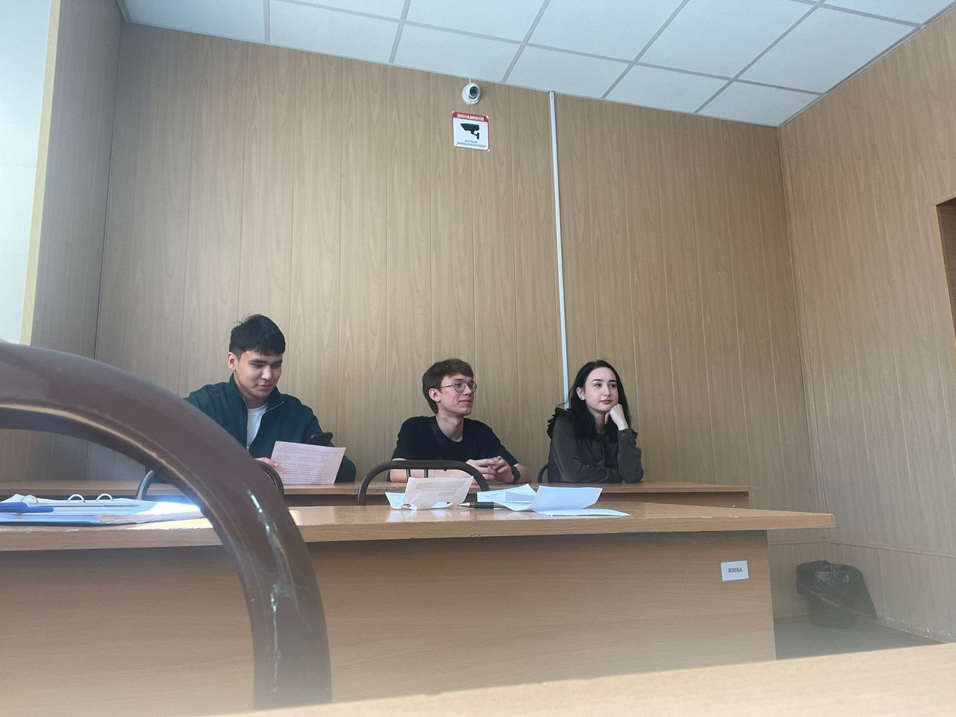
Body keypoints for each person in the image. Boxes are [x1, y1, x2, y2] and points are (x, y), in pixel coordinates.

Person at [185, 314, 356, 482]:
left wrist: (302, 465)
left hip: (278, 500)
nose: (268, 375)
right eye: (257, 365)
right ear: (232, 361)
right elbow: (172, 462)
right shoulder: (202, 405)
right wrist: (241, 468)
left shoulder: (297, 414)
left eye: (276, 365)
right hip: (215, 500)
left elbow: (347, 471)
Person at [390, 358, 528, 484]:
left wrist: (510, 475)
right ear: (435, 394)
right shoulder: (415, 427)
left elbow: (525, 472)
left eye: (470, 385)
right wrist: (458, 473)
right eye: (458, 385)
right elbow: (396, 472)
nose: (469, 391)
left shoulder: (480, 431)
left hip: (471, 503)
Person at [546, 359, 643, 483]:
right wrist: (617, 475)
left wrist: (622, 425)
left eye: (612, 385)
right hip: (569, 495)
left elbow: (632, 475)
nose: (607, 392)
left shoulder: (617, 426)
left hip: (611, 495)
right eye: (598, 385)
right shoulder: (565, 423)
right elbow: (573, 475)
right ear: (581, 393)